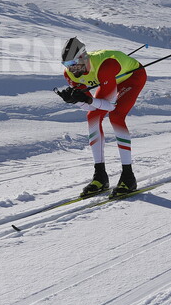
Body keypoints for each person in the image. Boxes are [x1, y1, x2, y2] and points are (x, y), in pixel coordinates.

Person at [56, 37, 147, 198]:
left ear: (84, 57)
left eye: (74, 63)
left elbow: (110, 106)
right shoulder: (70, 74)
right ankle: (100, 176)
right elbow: (91, 107)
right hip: (110, 80)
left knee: (116, 116)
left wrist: (87, 99)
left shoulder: (106, 65)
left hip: (133, 77)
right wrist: (76, 101)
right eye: (67, 65)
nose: (72, 69)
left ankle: (128, 177)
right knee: (92, 116)